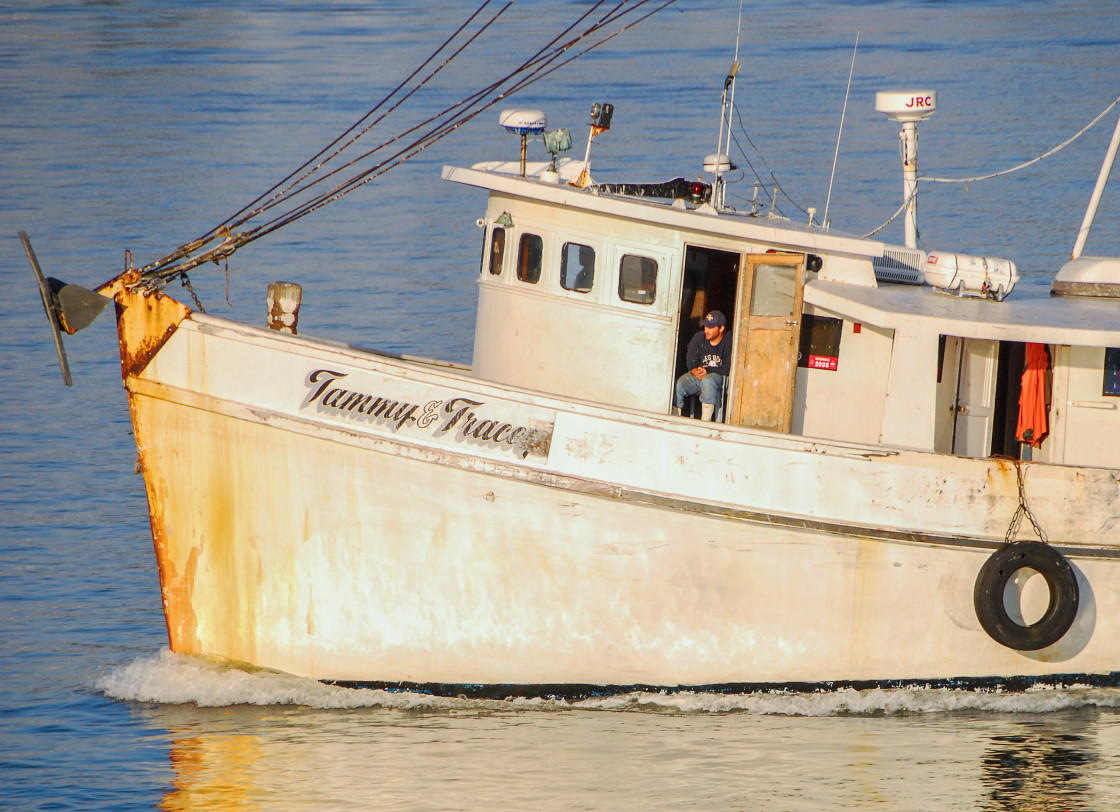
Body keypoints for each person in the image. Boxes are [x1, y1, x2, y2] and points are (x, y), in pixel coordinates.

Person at [673, 310, 731, 421]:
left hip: (719, 378)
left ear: (721, 328)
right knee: (679, 384)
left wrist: (708, 370)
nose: (706, 330)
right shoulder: (699, 338)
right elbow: (691, 359)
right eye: (705, 327)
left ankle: (705, 422)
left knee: (708, 380)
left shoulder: (729, 339)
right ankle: (675, 418)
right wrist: (694, 370)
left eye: (710, 328)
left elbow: (728, 368)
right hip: (699, 376)